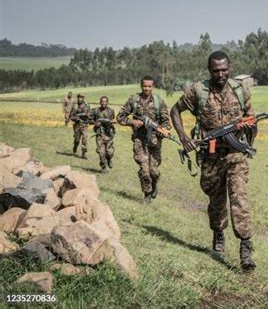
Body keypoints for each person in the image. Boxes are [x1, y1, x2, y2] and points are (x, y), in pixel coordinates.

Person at [170, 51, 257, 272]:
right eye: (216, 70)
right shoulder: (198, 91)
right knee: (216, 202)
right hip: (210, 157)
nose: (221, 74)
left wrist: (248, 133)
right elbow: (175, 110)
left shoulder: (240, 91)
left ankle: (246, 248)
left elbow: (252, 120)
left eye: (224, 69)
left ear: (230, 68)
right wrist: (184, 138)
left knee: (239, 199)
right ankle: (218, 234)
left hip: (235, 156)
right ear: (209, 70)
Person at [117, 76, 171, 204]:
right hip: (139, 140)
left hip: (154, 141)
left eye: (149, 86)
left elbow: (166, 122)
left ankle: (155, 185)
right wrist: (132, 121)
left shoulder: (159, 102)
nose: (147, 88)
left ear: (153, 86)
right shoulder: (134, 100)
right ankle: (147, 193)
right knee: (145, 170)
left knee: (154, 171)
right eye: (144, 86)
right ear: (141, 86)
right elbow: (120, 117)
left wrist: (162, 130)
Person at [91, 96, 116, 172]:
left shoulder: (111, 111)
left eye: (105, 102)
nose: (103, 103)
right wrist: (95, 123)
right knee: (101, 152)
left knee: (109, 152)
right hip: (99, 134)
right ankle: (104, 167)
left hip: (108, 134)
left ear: (107, 102)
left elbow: (114, 120)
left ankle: (109, 159)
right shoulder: (95, 111)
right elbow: (90, 120)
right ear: (100, 102)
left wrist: (111, 122)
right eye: (102, 101)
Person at [70, 93, 91, 159]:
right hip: (77, 125)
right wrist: (75, 118)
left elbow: (89, 114)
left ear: (83, 98)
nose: (80, 99)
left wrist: (85, 116)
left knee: (84, 138)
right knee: (77, 139)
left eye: (81, 98)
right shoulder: (75, 106)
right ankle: (75, 145)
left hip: (84, 125)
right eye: (79, 97)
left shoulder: (87, 105)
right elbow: (71, 116)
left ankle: (83, 153)